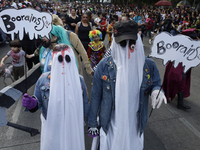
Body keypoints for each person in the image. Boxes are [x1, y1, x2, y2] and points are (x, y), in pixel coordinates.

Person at [87, 20, 167, 150]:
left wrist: (156, 91)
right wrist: (92, 124)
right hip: (111, 122)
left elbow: (156, 83)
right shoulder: (104, 66)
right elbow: (96, 95)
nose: (127, 46)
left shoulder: (148, 65)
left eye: (131, 42)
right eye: (122, 43)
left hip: (134, 124)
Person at [22, 44, 89, 150]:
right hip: (52, 125)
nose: (63, 64)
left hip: (73, 124)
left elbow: (85, 102)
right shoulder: (44, 79)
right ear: (53, 59)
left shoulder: (79, 79)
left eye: (67, 59)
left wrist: (91, 123)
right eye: (59, 59)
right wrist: (32, 103)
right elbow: (38, 101)